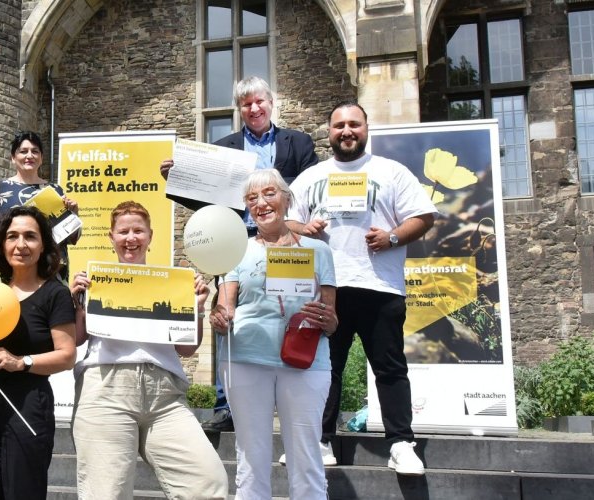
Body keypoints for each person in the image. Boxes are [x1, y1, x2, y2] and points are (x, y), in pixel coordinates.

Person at [160, 76, 319, 432]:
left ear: (271, 102)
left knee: (291, 307)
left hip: (284, 240)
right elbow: (204, 201)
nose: (254, 108)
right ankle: (226, 404)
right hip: (236, 241)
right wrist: (175, 180)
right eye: (246, 104)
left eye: (259, 101)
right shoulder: (224, 148)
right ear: (240, 109)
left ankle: (291, 395)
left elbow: (312, 189)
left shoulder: (299, 143)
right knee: (227, 315)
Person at [286, 101, 437, 475]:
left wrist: (391, 237)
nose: (346, 131)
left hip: (379, 285)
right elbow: (288, 222)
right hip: (326, 289)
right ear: (329, 132)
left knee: (389, 367)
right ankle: (319, 441)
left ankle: (401, 444)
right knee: (324, 369)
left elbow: (423, 216)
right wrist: (304, 229)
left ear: (366, 129)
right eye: (339, 125)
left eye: (354, 124)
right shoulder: (311, 177)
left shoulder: (391, 172)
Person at [69, 201, 228, 499]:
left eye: (138, 231)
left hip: (165, 396)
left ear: (150, 236)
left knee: (207, 483)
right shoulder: (93, 282)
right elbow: (76, 339)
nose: (131, 238)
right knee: (106, 493)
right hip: (107, 389)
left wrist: (196, 308)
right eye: (123, 231)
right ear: (111, 237)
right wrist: (76, 303)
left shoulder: (174, 284)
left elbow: (186, 348)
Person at [209, 169, 338, 499]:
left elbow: (332, 320)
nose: (261, 203)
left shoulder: (318, 251)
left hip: (305, 362)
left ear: (287, 199)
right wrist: (220, 318)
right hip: (245, 359)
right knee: (251, 456)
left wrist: (327, 319)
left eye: (269, 193)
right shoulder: (236, 250)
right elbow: (226, 305)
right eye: (252, 198)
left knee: (306, 455)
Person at [0, 206, 77, 498]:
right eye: (12, 236)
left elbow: (67, 355)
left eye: (30, 236)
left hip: (30, 404)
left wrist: (20, 361)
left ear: (43, 246)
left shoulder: (55, 294)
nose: (21, 244)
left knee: (22, 491)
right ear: (1, 244)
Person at [0, 131, 79, 278]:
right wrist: (6, 253)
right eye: (23, 151)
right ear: (13, 157)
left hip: (47, 274)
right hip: (7, 273)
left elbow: (70, 237)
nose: (29, 156)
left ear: (41, 158)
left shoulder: (55, 190)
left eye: (35, 151)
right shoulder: (0, 189)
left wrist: (73, 214)